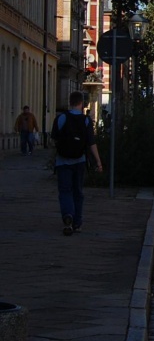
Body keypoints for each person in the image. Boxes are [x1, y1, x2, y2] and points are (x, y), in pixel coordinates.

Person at [51, 91, 103, 236]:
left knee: (65, 191)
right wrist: (98, 162)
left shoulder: (61, 118)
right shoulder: (86, 121)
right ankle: (77, 223)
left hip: (62, 162)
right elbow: (91, 143)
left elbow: (53, 138)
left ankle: (68, 215)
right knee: (78, 192)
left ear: (70, 102)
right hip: (79, 161)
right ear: (81, 104)